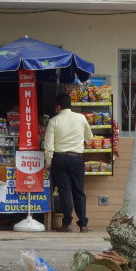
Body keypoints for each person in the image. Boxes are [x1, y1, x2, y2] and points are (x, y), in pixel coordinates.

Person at [44, 91, 94, 233]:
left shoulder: (54, 121)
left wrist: (48, 162)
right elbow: (89, 137)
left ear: (58, 106)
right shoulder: (81, 118)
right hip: (77, 158)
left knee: (65, 191)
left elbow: (49, 145)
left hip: (60, 158)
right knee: (79, 191)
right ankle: (83, 224)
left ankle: (67, 224)